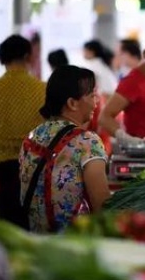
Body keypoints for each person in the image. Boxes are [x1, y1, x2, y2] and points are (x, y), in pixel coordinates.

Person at [19, 66, 110, 233]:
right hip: (73, 245)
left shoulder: (33, 136)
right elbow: (103, 207)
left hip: (35, 241)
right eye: (91, 96)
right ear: (72, 103)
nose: (96, 102)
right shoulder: (87, 141)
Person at [0, 35, 45, 228]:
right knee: (35, 223)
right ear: (28, 56)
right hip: (37, 164)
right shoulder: (43, 90)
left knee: (8, 226)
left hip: (2, 168)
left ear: (2, 59)